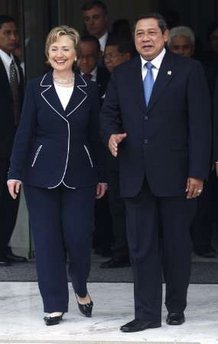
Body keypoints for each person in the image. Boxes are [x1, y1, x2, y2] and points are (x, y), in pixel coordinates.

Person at [100, 13, 211, 332]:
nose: (145, 38)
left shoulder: (189, 70)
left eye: (151, 32)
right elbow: (108, 115)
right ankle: (146, 313)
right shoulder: (122, 74)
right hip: (135, 174)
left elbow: (200, 125)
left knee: (176, 245)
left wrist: (198, 172)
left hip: (177, 175)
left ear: (164, 36)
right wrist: (110, 135)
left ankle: (176, 307)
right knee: (141, 248)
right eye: (139, 34)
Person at [7, 25, 107, 325]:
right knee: (48, 242)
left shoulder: (89, 89)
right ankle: (53, 304)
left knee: (78, 239)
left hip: (81, 174)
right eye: (54, 48)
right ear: (47, 54)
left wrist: (102, 175)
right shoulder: (36, 87)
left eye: (65, 48)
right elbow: (24, 131)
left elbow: (95, 135)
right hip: (40, 175)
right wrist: (14, 171)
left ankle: (79, 284)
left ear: (76, 54)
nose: (59, 54)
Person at [168, 26, 217, 257]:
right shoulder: (156, 74)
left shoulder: (204, 72)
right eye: (175, 48)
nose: (180, 52)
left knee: (201, 199)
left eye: (185, 48)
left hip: (198, 144)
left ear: (193, 49)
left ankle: (201, 242)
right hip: (169, 149)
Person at [77, 34, 113, 257]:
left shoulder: (111, 78)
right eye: (81, 57)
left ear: (99, 56)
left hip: (103, 146)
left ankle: (104, 241)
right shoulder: (63, 79)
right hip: (78, 147)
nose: (85, 62)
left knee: (104, 196)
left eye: (90, 56)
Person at [100, 35, 134, 269]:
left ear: (126, 57)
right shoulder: (106, 81)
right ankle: (122, 250)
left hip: (135, 153)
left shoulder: (135, 80)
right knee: (116, 205)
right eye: (106, 57)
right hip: (112, 154)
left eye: (112, 56)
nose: (108, 61)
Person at [0, 15, 26, 266]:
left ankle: (4, 246)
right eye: (7, 32)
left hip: (14, 144)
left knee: (11, 197)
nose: (13, 37)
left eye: (14, 32)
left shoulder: (16, 64)